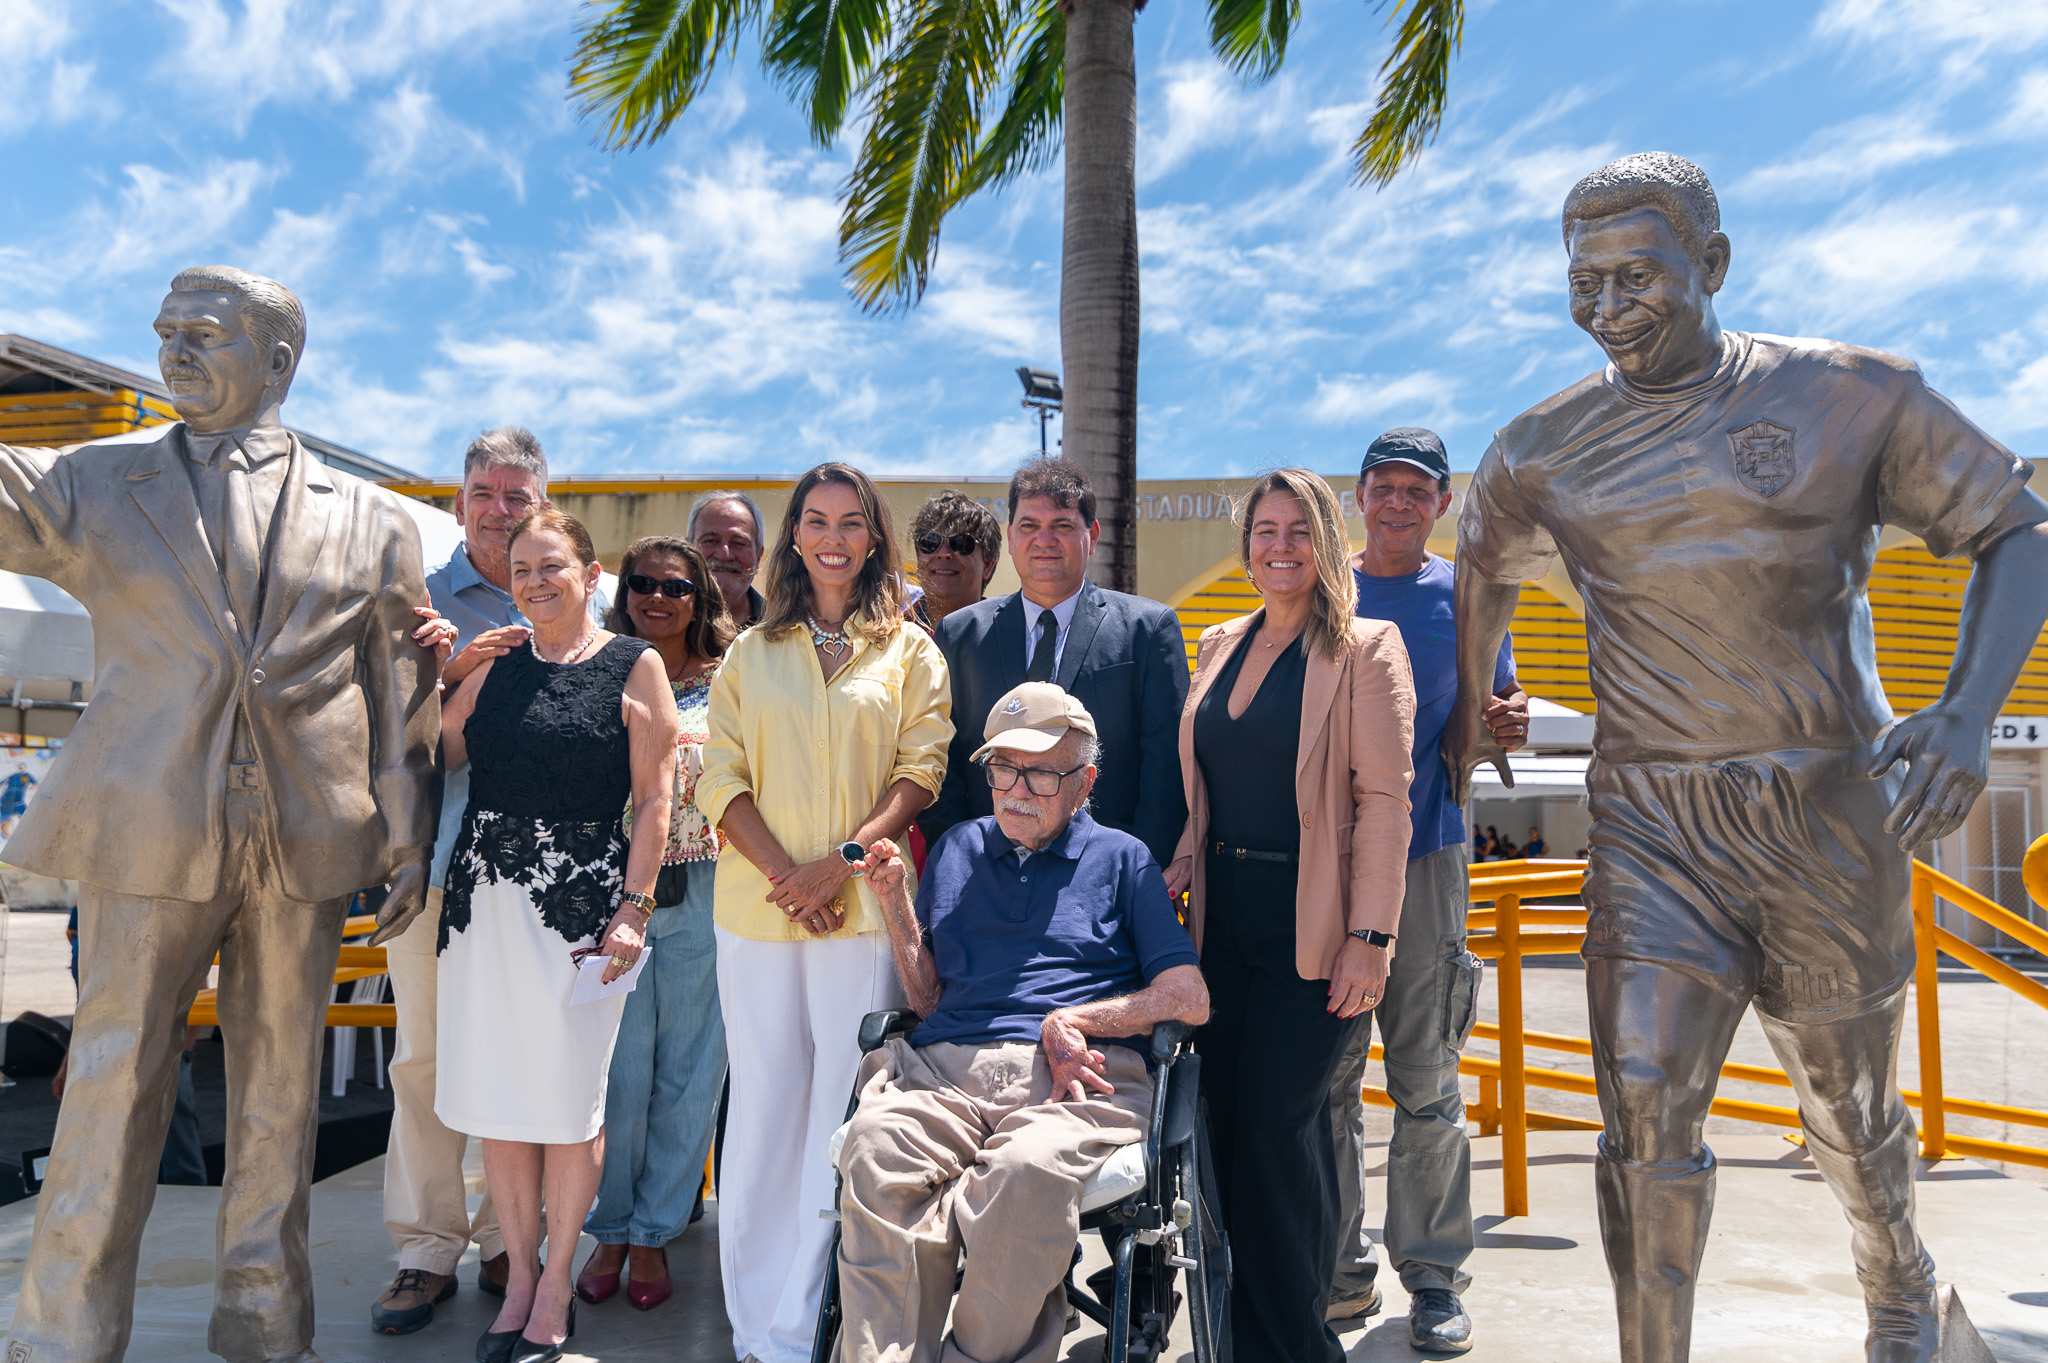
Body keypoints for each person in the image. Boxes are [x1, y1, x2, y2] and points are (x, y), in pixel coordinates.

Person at [1447, 151, 2048, 1363]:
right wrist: (1476, 710)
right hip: (1649, 820)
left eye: (1637, 274)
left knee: (1848, 1106)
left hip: (1822, 808)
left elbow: (2015, 528)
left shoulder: (1851, 395)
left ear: (1709, 266)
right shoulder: (1537, 447)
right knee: (1644, 1104)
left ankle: (1896, 1278)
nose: (1607, 305)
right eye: (1584, 281)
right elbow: (1481, 565)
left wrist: (1961, 713)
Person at [0, 265, 439, 1363]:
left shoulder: (377, 520)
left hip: (306, 835)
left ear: (279, 360)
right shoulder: (94, 484)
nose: (174, 355)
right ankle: (65, 1338)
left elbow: (399, 688)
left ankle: (264, 1326)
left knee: (278, 1098)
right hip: (148, 824)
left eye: (203, 335)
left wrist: (408, 829)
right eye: (165, 335)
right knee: (110, 1086)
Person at [835, 684, 1208, 1363]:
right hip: (944, 1071)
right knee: (873, 1147)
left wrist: (1080, 1017)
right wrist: (895, 903)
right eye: (1002, 768)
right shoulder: (957, 848)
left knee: (1024, 1170)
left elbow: (1190, 996)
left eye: (1037, 771)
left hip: (1077, 1080)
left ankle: (977, 1356)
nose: (1014, 789)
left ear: (1084, 779)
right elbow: (928, 1000)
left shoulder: (1122, 858)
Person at [697, 461, 953, 1363]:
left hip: (860, 912)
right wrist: (786, 873)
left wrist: (837, 866)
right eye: (816, 519)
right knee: (763, 1108)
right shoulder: (748, 651)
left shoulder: (913, 651)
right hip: (759, 913)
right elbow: (717, 775)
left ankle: (807, 1325)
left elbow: (921, 769)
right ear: (794, 537)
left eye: (852, 520)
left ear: (874, 536)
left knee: (840, 1118)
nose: (834, 535)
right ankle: (752, 1323)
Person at [1166, 468, 1417, 1363]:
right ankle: (1233, 1342)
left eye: (1298, 530)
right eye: (1265, 531)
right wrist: (1187, 853)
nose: (1280, 547)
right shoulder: (1220, 642)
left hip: (1313, 927)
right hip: (1219, 924)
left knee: (1282, 1136)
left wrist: (1371, 936)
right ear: (1246, 546)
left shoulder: (1367, 647)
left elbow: (1385, 802)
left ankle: (1298, 1346)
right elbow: (1210, 784)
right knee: (1224, 1133)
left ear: (1325, 540)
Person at [377, 426, 611, 1335]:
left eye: (520, 495)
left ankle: (506, 1244)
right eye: (486, 491)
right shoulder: (415, 604)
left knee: (524, 1068)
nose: (500, 509)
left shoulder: (571, 599)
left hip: (545, 886)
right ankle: (426, 1248)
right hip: (434, 868)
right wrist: (442, 674)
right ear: (461, 497)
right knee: (427, 1063)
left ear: (542, 506)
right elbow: (376, 738)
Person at [434, 507, 679, 1363]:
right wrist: (449, 673)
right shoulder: (495, 662)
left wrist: (634, 908)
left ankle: (560, 1280)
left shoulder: (632, 662)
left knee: (571, 1106)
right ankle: (523, 1274)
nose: (534, 580)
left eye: (551, 565)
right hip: (481, 908)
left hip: (581, 910)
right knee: (503, 1101)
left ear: (589, 569)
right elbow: (436, 750)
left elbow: (656, 799)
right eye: (521, 567)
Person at [1326, 428, 1527, 1353]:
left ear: (1442, 504)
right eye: (1385, 486)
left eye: (1418, 489)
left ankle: (1435, 1276)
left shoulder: (1469, 595)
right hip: (1322, 864)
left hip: (1430, 859)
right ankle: (1334, 1271)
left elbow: (1495, 717)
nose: (1400, 501)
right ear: (1357, 496)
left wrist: (1507, 722)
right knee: (1324, 1083)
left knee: (1427, 1082)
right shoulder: (1324, 586)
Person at [577, 536, 736, 1311]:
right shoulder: (598, 665)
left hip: (708, 885)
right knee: (618, 1069)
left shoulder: (733, 678)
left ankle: (655, 1232)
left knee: (691, 1068)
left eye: (675, 585)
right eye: (641, 583)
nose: (657, 596)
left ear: (699, 596)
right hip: (619, 888)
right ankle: (608, 1225)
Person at [922, 455, 1187, 869]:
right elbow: (943, 763)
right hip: (983, 875)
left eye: (1062, 526)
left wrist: (1136, 874)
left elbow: (1166, 770)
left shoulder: (1147, 630)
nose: (1043, 540)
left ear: (1091, 534)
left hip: (1104, 879)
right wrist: (962, 859)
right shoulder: (959, 635)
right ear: (1010, 537)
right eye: (1029, 526)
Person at [908, 490, 1002, 632]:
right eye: (930, 542)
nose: (944, 553)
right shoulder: (887, 632)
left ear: (988, 565)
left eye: (961, 543)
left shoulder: (1009, 636)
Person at [691, 490, 768, 628]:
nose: (724, 555)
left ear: (758, 556)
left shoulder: (783, 628)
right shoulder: (660, 621)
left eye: (739, 543)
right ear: (689, 549)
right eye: (710, 541)